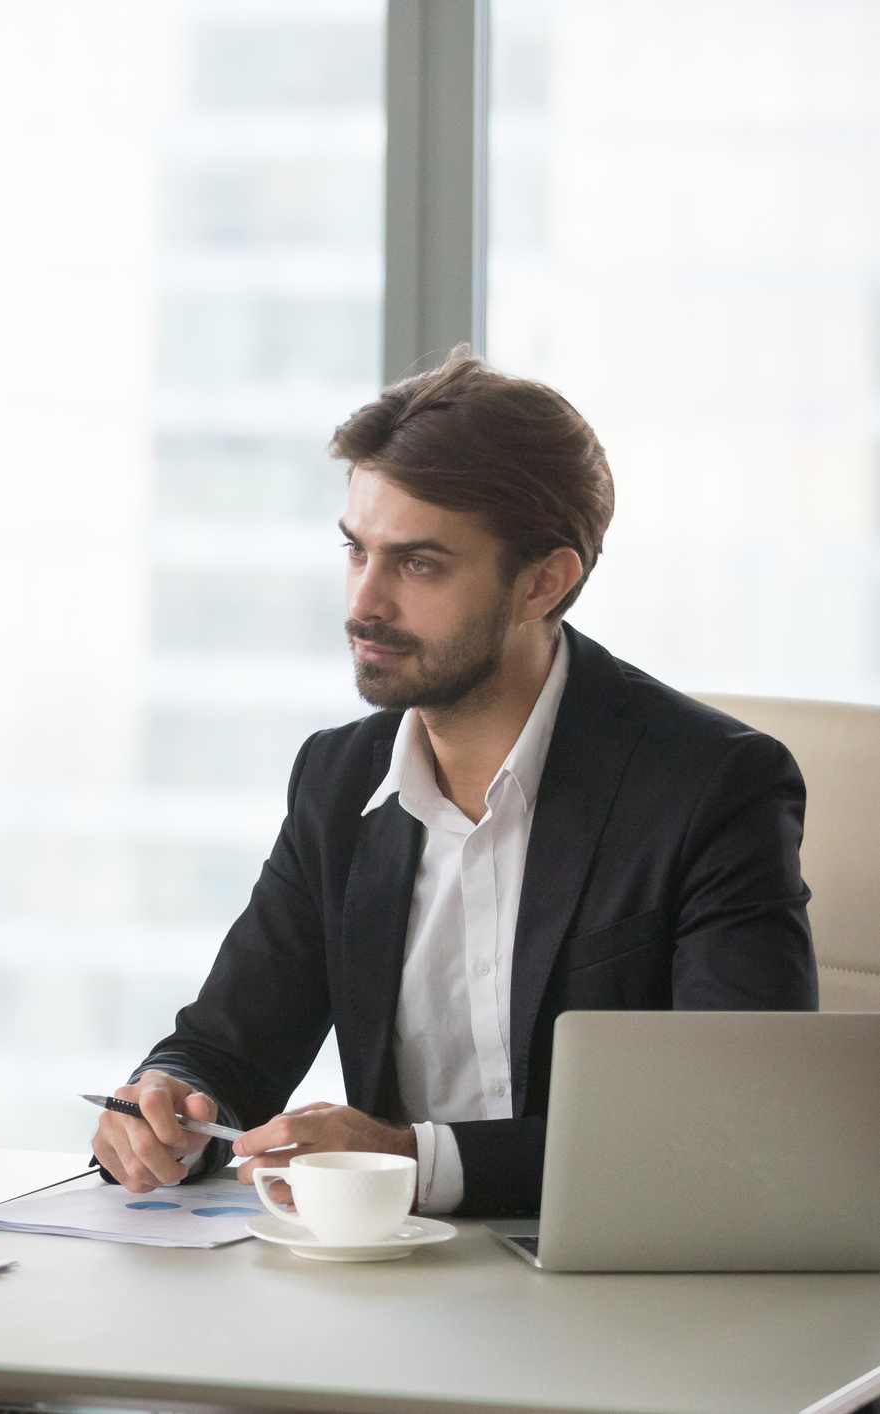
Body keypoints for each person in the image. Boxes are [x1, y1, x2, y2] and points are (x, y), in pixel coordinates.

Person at [92, 349, 818, 1218]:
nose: (365, 602)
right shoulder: (339, 779)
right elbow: (229, 1047)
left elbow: (730, 1124)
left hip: (618, 1299)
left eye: (418, 565)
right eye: (355, 551)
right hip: (391, 1295)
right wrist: (165, 1101)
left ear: (543, 583)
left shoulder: (711, 788)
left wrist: (410, 1159)